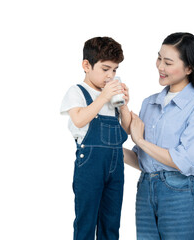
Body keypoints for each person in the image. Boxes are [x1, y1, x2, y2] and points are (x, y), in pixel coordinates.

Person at [123, 32, 194, 240]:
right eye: (159, 58)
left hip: (180, 192)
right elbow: (143, 160)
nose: (160, 67)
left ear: (189, 68)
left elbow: (185, 160)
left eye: (168, 62)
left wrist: (140, 140)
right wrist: (108, 147)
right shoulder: (150, 103)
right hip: (145, 189)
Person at [60, 36, 131, 240]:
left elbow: (127, 130)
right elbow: (80, 119)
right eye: (105, 69)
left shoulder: (111, 96)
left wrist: (124, 104)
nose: (110, 76)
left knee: (111, 223)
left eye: (115, 70)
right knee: (86, 222)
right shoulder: (77, 92)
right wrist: (103, 97)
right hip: (90, 166)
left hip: (115, 166)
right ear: (86, 65)